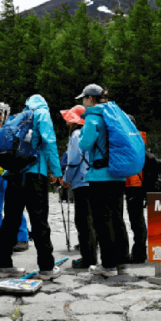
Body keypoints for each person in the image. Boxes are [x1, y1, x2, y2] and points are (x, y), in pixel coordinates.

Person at [0, 94, 62, 280]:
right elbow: (49, 141)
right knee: (39, 221)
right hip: (34, 175)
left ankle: (3, 265)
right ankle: (47, 267)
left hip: (15, 174)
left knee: (10, 221)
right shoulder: (42, 114)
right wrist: (56, 171)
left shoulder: (18, 118)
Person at [77, 84, 131, 277]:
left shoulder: (93, 116)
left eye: (83, 99)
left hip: (100, 175)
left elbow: (84, 144)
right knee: (117, 217)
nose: (83, 103)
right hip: (118, 173)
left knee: (102, 220)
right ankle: (122, 260)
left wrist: (82, 134)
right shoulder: (115, 113)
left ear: (90, 99)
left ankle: (108, 265)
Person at [0, 103, 30, 253]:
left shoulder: (12, 128)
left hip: (9, 173)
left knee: (14, 208)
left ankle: (22, 238)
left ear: (5, 113)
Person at [61, 105, 98, 269]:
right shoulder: (91, 133)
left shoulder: (76, 135)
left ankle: (88, 259)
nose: (67, 124)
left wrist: (66, 179)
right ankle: (93, 256)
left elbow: (74, 160)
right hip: (94, 181)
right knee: (92, 221)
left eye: (69, 121)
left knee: (83, 223)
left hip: (81, 182)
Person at [124, 115, 148, 264]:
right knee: (137, 219)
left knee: (136, 220)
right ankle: (139, 252)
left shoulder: (131, 139)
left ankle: (139, 254)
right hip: (136, 183)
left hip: (133, 183)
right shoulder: (140, 139)